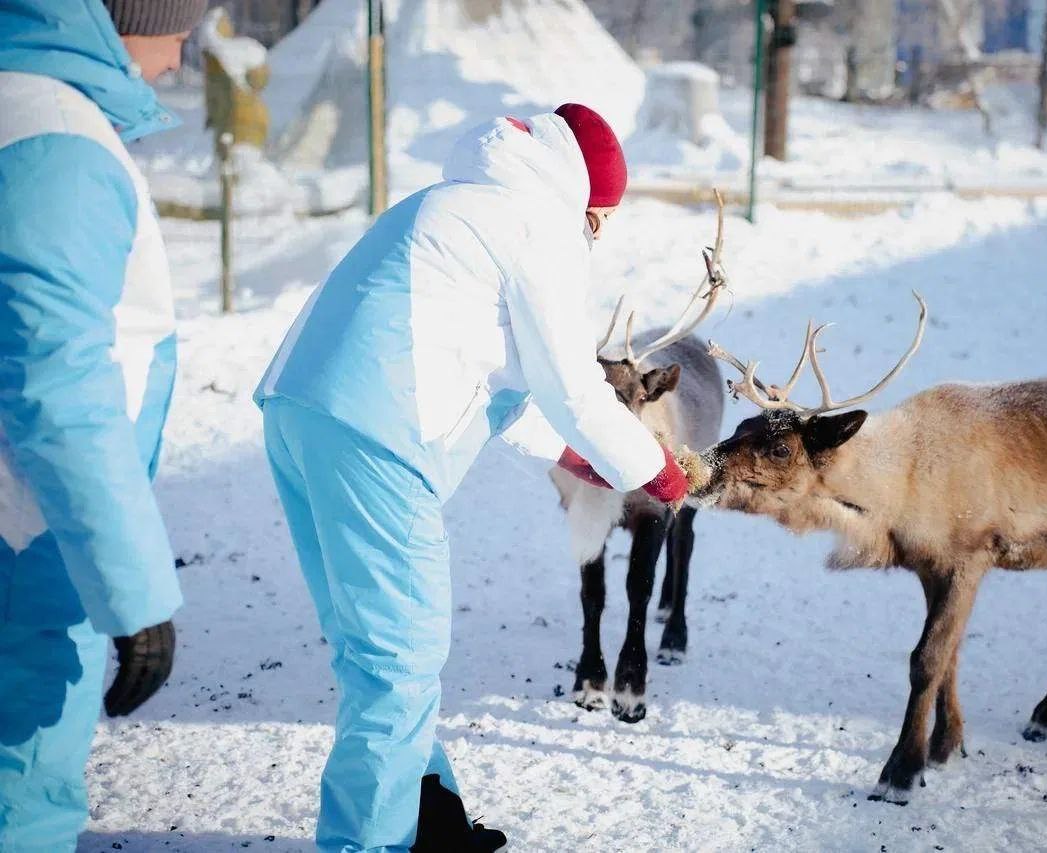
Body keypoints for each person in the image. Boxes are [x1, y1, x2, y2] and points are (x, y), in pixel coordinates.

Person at [256, 103, 689, 851]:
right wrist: (659, 470)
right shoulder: (536, 223)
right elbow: (573, 386)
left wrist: (573, 453)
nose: (597, 231)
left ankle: (431, 821)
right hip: (373, 429)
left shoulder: (458, 202)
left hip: (300, 410)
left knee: (376, 650)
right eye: (602, 216)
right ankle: (369, 842)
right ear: (587, 199)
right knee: (399, 658)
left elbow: (492, 369)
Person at [0, 1, 205, 849]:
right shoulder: (58, 140)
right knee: (25, 781)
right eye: (180, 24)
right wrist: (131, 590)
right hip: (33, 528)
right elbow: (55, 379)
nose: (184, 52)